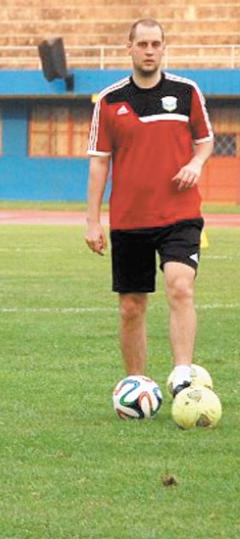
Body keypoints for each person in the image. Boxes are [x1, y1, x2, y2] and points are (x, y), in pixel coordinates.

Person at [85, 19, 214, 397]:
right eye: (142, 43)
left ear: (163, 47)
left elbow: (205, 141)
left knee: (180, 287)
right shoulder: (109, 101)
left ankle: (182, 375)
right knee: (131, 306)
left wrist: (195, 164)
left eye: (156, 44)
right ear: (129, 48)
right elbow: (98, 163)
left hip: (180, 214)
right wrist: (92, 221)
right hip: (129, 219)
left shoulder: (187, 92)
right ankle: (138, 384)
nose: (149, 50)